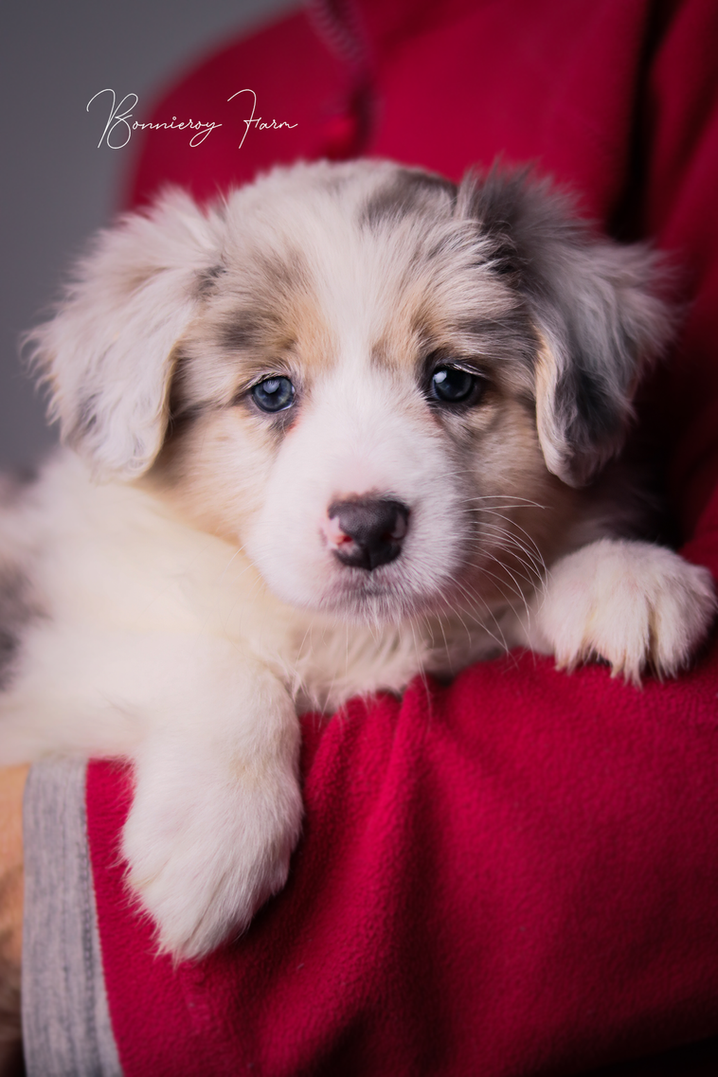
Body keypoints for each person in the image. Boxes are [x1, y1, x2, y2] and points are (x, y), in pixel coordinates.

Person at [7, 0, 718, 1073]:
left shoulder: (668, 34)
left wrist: (579, 573)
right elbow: (63, 694)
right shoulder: (121, 568)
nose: (365, 494)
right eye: (272, 391)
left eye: (451, 381)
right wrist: (226, 719)